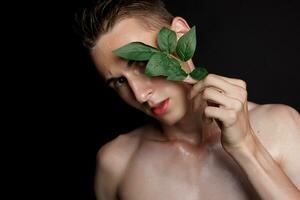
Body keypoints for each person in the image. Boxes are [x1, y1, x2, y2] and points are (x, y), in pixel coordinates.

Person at [74, 0, 300, 199]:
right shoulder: (117, 163)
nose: (140, 94)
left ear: (180, 34)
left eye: (143, 64)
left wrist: (245, 147)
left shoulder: (280, 127)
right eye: (119, 82)